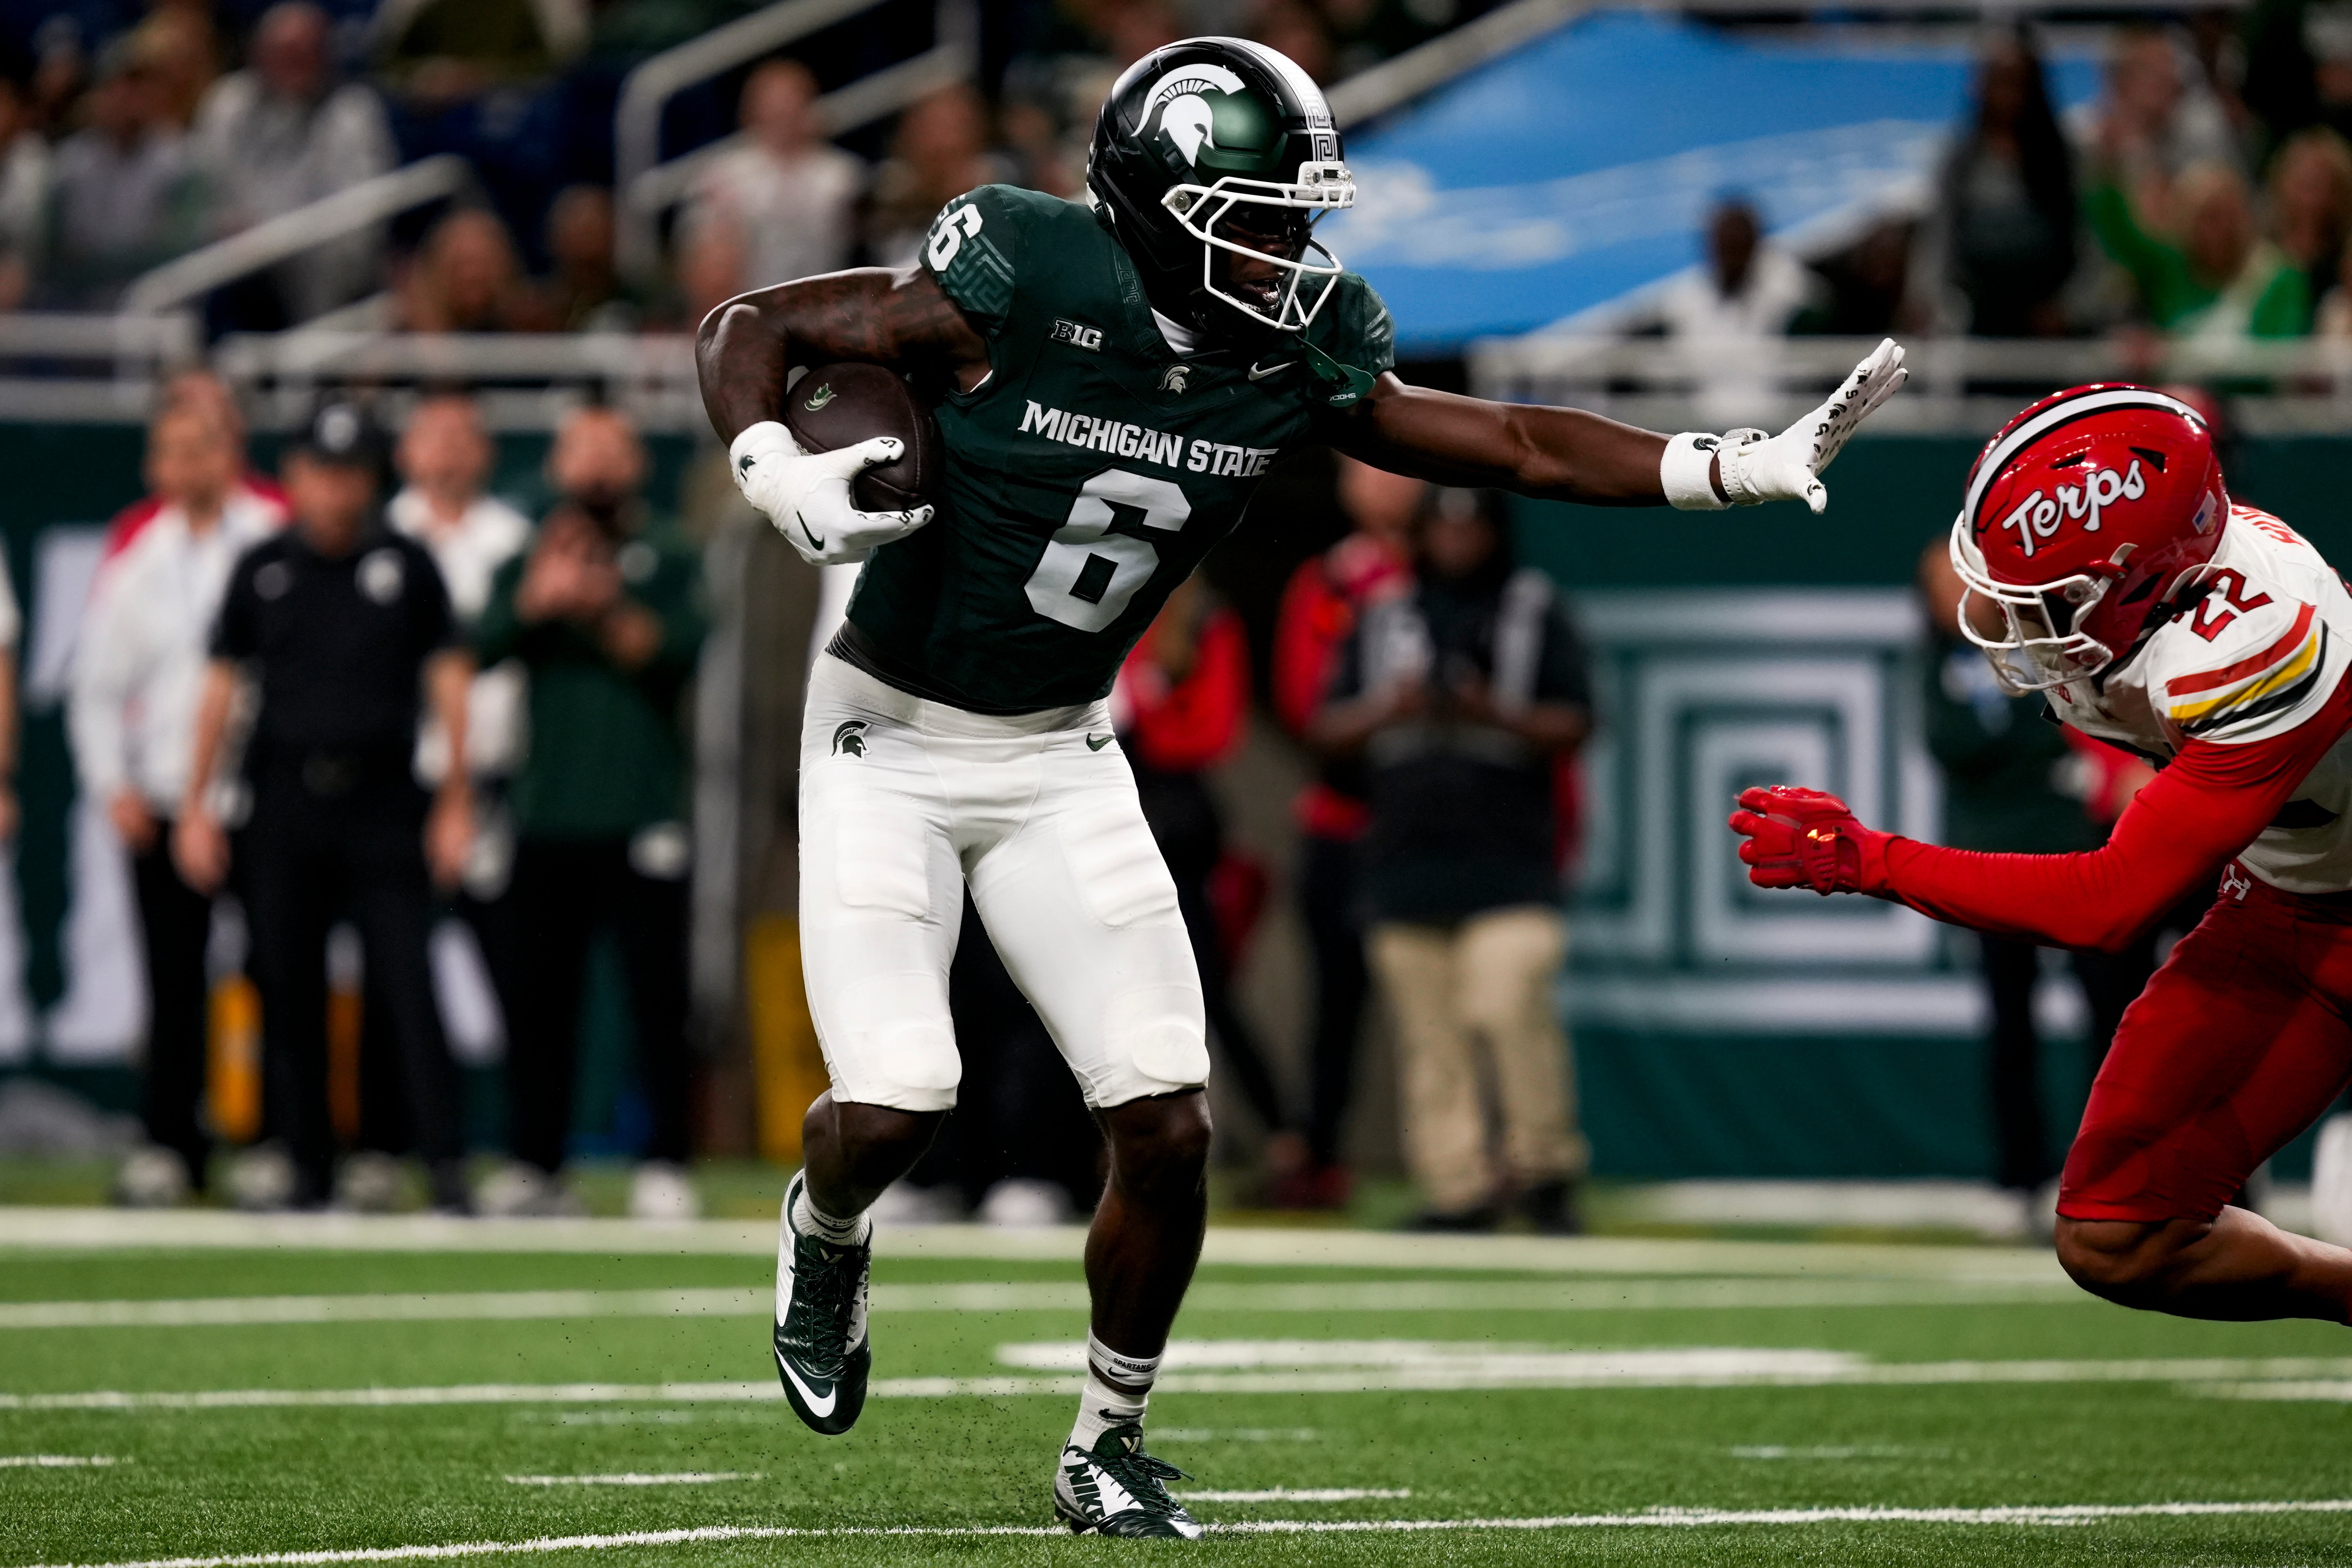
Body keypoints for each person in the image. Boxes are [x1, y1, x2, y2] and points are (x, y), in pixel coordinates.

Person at [697, 36, 1904, 1537]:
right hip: (884, 737)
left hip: (1062, 754)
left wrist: (1719, 465)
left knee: (1166, 1123)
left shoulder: (1292, 341)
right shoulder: (1026, 269)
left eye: (1295, 212)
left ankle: (1107, 1438)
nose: (1289, 244)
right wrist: (768, 459)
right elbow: (754, 320)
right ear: (1153, 202)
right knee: (895, 1106)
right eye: (1255, 211)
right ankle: (823, 1234)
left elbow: (1510, 440)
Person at [1732, 383, 2352, 1328]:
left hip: (2315, 908)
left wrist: (1869, 860)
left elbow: (2106, 903)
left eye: (2054, 596)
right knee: (2118, 1233)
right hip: (2290, 903)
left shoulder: (2257, 644)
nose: (2011, 615)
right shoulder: (2176, 580)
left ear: (2140, 577)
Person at [173, 401, 476, 1213]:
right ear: (295, 475)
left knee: (408, 984)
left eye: (350, 473)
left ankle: (443, 1164)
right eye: (320, 470)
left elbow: (449, 679)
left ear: (371, 479)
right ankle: (306, 1163)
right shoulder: (263, 565)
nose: (335, 489)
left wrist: (455, 799)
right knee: (287, 984)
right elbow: (222, 688)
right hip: (283, 798)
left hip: (384, 798)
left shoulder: (407, 564)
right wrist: (197, 805)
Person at [1309, 489, 1593, 1233]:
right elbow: (1324, 728)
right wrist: (1389, 709)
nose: (1457, 542)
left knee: (1506, 1009)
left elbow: (1579, 719)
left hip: (1510, 863)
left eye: (1472, 527)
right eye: (1444, 526)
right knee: (1429, 1040)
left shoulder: (1534, 610)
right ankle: (1459, 1187)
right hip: (1403, 862)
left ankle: (1543, 1168)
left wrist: (1492, 712)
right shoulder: (1382, 618)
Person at [472, 406, 707, 1222]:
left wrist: (599, 604)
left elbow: (674, 648)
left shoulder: (670, 553)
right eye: (585, 454)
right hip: (546, 811)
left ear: (638, 463)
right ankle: (536, 1160)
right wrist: (542, 596)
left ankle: (664, 1160)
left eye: (614, 452)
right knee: (538, 1002)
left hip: (642, 810)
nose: (598, 471)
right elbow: (480, 643)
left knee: (654, 1001)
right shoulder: (530, 551)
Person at [74, 396, 284, 1208]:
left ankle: (272, 1139)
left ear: (230, 451)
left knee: (276, 971)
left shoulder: (273, 535)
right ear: (155, 466)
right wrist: (112, 786)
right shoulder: (138, 559)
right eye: (172, 451)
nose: (187, 465)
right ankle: (171, 1143)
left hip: (260, 796)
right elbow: (95, 687)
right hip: (164, 796)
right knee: (171, 981)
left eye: (201, 446)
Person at [1915, 539, 2157, 1206]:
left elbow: (2098, 724)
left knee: (2116, 1019)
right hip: (1994, 862)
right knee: (2009, 1022)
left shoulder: (2051, 646)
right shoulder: (1940, 665)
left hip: (2084, 857)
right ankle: (2018, 1178)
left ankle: (2114, 1173)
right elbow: (1955, 744)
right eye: (1936, 581)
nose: (1955, 596)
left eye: (1962, 578)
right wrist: (2043, 763)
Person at [1267, 455, 1416, 1208]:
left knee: (1447, 993)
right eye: (1367, 471)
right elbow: (1302, 705)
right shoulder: (1325, 583)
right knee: (1333, 1003)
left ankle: (1481, 1160)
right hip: (1342, 822)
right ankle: (1318, 1151)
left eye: (1394, 471)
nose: (1384, 484)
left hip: (1433, 825)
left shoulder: (1454, 570)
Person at [1112, 575, 1291, 1163]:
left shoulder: (1206, 618)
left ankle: (1283, 1135)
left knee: (1201, 984)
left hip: (1172, 824)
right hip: (1105, 811)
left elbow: (1212, 733)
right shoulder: (1103, 601)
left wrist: (1149, 705)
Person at [189, 1, 394, 326]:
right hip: (238, 269)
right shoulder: (229, 103)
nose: (292, 63)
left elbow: (361, 221)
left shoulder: (351, 113)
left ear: (324, 55)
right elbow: (206, 187)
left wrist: (278, 242)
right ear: (258, 54)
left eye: (303, 52)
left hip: (320, 273)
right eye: (281, 52)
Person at [1933, 29, 2078, 338]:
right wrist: (1928, 301)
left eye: (2015, 81)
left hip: (2050, 324)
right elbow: (1939, 238)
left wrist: (2070, 308)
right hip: (1976, 317)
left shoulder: (2065, 159)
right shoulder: (1962, 161)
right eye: (1996, 81)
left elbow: (2089, 241)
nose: (2005, 94)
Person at [45, 35, 204, 309]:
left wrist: (90, 264)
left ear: (159, 94)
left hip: (158, 308)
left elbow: (175, 252)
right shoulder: (67, 166)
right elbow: (49, 258)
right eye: (116, 87)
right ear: (96, 95)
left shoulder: (184, 163)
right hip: (80, 310)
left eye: (139, 88)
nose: (127, 99)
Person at [685, 59, 862, 295]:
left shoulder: (843, 176)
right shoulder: (721, 175)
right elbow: (704, 265)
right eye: (772, 103)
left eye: (792, 100)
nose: (783, 112)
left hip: (827, 307)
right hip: (743, 307)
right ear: (749, 109)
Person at [2090, 159, 2312, 339]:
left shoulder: (2278, 276)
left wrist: (2170, 353)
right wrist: (2106, 169)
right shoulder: (2169, 267)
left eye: (2230, 217)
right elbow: (2122, 240)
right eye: (2208, 218)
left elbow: (2271, 358)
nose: (2220, 230)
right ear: (2185, 223)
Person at [1651, 197, 1821, 427]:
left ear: (1756, 245)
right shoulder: (1682, 304)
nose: (1732, 254)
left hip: (1777, 426)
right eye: (1725, 245)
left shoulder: (1793, 298)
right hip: (1701, 428)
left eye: (1739, 245)